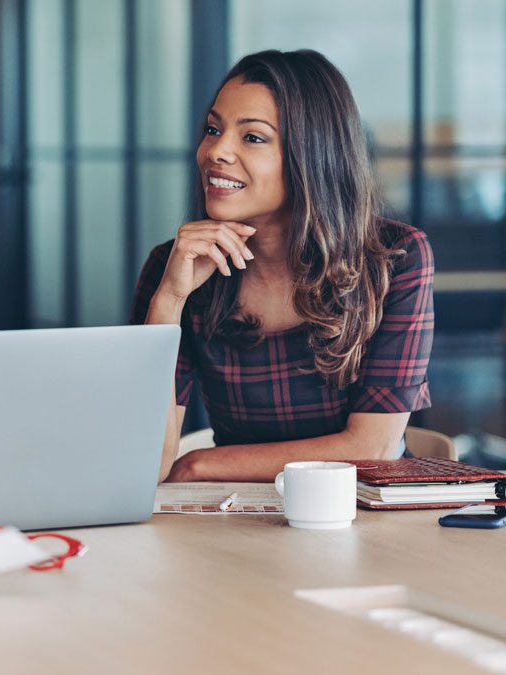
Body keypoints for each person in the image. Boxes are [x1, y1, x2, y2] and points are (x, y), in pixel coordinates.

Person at [132, 49, 434, 483]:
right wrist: (169, 301)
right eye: (213, 129)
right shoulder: (175, 265)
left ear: (312, 155)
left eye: (252, 137)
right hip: (232, 514)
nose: (216, 151)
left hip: (361, 514)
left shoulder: (395, 258)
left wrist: (200, 464)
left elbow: (374, 448)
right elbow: (146, 463)